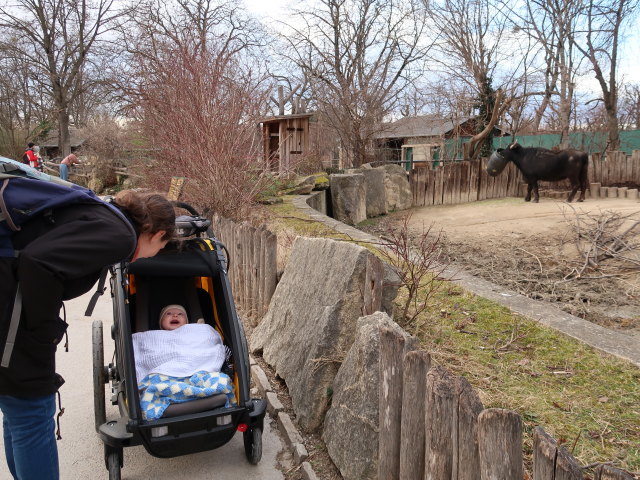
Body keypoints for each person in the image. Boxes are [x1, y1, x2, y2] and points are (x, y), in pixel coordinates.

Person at [0, 189, 176, 480]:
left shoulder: (103, 215)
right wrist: (45, 331)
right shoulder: (121, 236)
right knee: (31, 416)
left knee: (18, 414)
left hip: (11, 304)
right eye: (162, 246)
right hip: (12, 317)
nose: (155, 254)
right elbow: (37, 262)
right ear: (158, 234)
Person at [132, 305, 234, 421]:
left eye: (180, 314)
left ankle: (188, 391)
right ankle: (189, 392)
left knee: (222, 380)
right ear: (160, 322)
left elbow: (210, 344)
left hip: (198, 373)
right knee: (152, 386)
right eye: (168, 314)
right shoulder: (151, 337)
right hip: (163, 375)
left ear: (188, 322)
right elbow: (141, 354)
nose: (175, 315)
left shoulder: (198, 332)